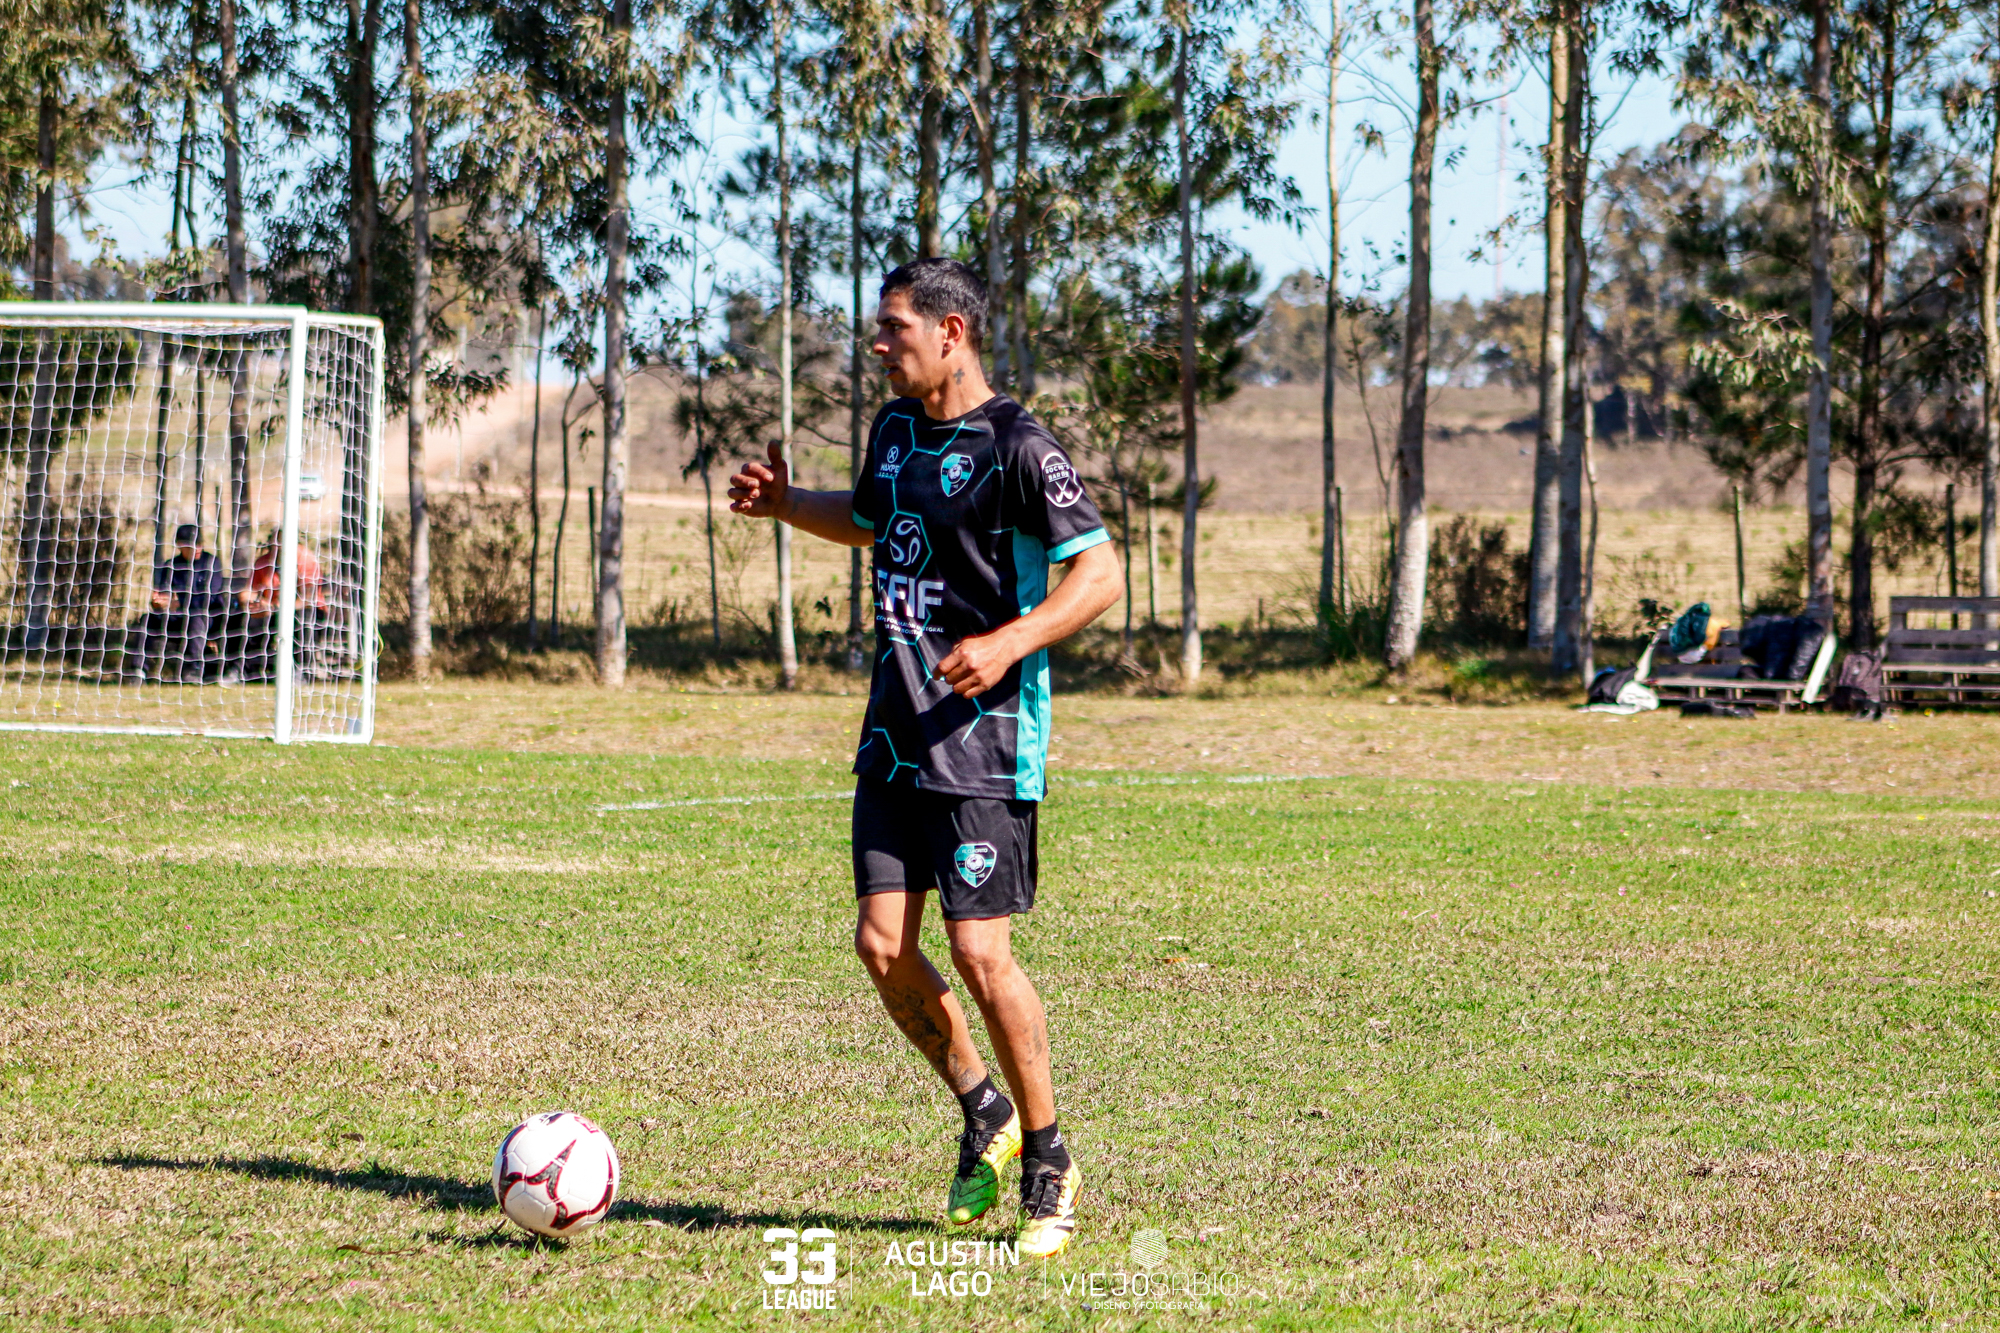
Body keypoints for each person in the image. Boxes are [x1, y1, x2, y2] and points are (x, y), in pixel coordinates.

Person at [728, 258, 1121, 1258]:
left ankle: (1048, 1158)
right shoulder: (896, 429)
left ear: (952, 332)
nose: (878, 343)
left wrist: (1008, 642)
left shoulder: (1019, 446)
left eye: (894, 326)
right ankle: (983, 1109)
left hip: (986, 743)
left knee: (981, 954)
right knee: (880, 945)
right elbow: (869, 521)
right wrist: (788, 503)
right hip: (894, 736)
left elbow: (1100, 571)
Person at [126, 525, 228, 683]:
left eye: (199, 544)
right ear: (180, 545)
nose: (197, 548)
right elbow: (164, 594)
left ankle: (193, 670)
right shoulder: (171, 565)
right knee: (148, 619)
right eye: (192, 545)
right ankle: (138, 670)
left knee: (197, 617)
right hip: (181, 617)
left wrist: (179, 602)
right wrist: (158, 602)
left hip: (209, 619)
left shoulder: (211, 562)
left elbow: (210, 598)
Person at [227, 533, 329, 683]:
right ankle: (240, 669)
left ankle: (300, 671)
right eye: (275, 542)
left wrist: (274, 607)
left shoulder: (307, 561)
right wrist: (249, 598)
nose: (277, 546)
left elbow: (308, 598)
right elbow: (250, 590)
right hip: (271, 610)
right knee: (241, 619)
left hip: (303, 610)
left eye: (281, 542)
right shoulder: (264, 562)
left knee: (303, 620)